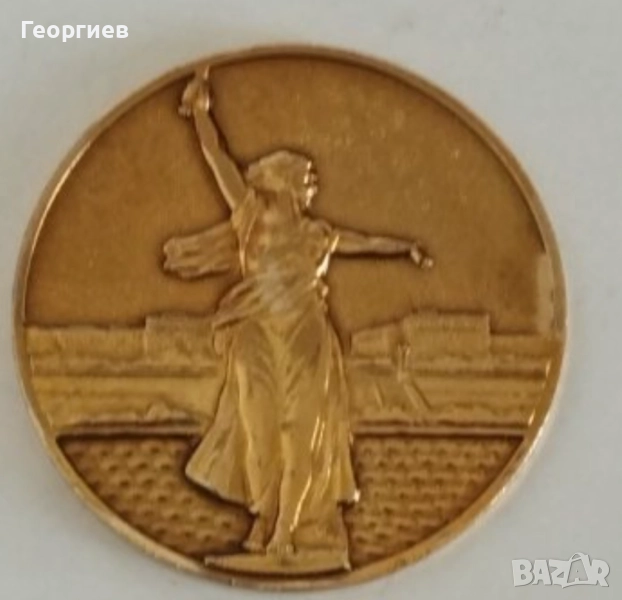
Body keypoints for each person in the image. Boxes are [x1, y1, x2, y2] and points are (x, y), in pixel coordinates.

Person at [164, 68, 433, 568]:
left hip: (306, 332)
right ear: (284, 179)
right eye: (306, 176)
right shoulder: (249, 214)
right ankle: (265, 513)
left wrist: (406, 248)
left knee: (301, 429)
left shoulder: (319, 234)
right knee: (258, 428)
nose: (314, 182)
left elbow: (366, 242)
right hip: (256, 331)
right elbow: (216, 157)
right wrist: (200, 112)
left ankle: (285, 532)